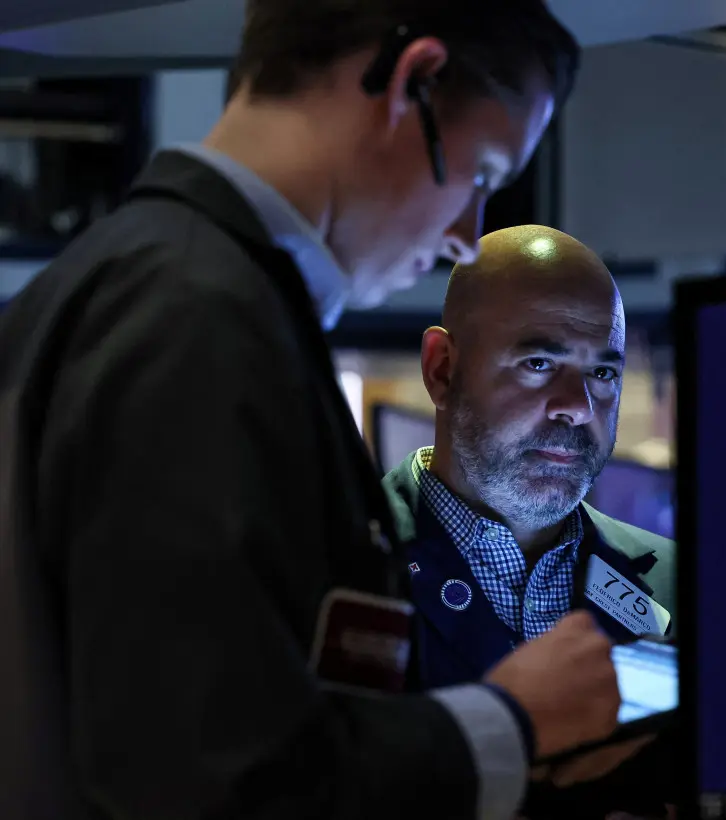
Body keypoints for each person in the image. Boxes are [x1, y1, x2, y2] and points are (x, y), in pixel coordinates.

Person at [0, 3, 626, 820]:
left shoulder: (123, 282)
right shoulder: (197, 318)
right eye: (480, 176)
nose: (467, 237)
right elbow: (204, 779)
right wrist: (507, 723)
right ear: (413, 82)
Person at [381, 225, 678, 818]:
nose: (579, 406)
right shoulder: (333, 561)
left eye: (603, 374)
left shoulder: (678, 585)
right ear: (441, 371)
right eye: (539, 363)